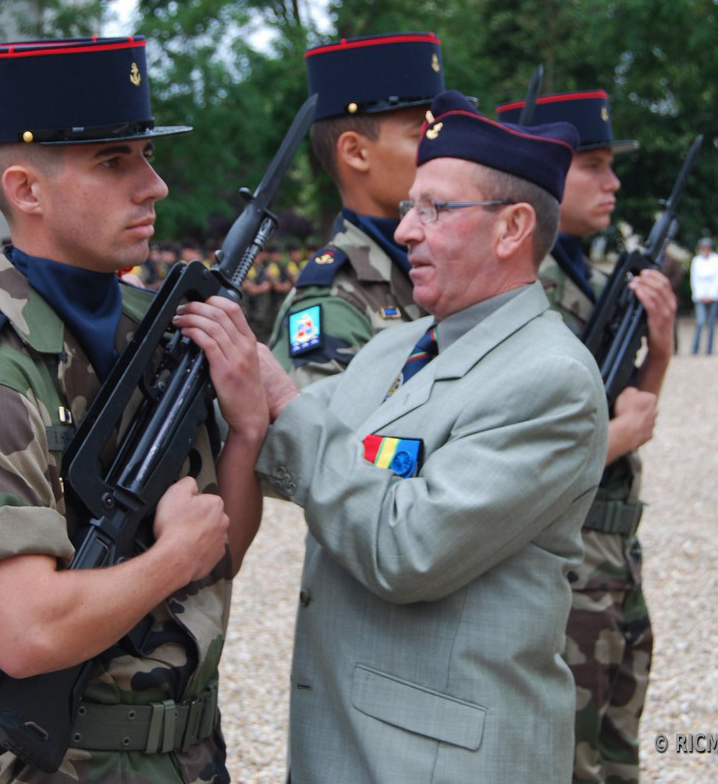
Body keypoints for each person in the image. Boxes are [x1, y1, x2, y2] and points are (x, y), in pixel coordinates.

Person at [181, 90, 609, 781]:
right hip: (345, 742)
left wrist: (282, 402)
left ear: (512, 229)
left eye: (434, 209)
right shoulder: (396, 348)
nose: (406, 230)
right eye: (410, 206)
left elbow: (408, 548)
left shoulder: (549, 380)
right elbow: (304, 461)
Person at [0, 36, 267, 783]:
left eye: (146, 157)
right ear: (28, 190)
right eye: (114, 162)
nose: (154, 185)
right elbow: (25, 632)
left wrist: (247, 433)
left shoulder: (159, 327)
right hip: (65, 763)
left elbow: (218, 554)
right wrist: (170, 559)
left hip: (191, 755)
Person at [498, 90, 678, 784]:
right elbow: (516, 464)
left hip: (612, 556)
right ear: (542, 173)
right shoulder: (521, 294)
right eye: (593, 166)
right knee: (564, 763)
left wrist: (658, 354)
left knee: (613, 759)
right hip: (562, 574)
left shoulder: (592, 279)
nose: (614, 183)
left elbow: (632, 424)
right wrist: (617, 433)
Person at [269, 32, 445, 387]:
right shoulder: (333, 303)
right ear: (355, 152)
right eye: (421, 134)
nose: (442, 148)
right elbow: (319, 439)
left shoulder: (446, 266)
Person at [689, 236, 718, 355]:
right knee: (700, 322)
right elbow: (694, 279)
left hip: (714, 296)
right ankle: (695, 348)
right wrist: (701, 295)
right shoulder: (696, 261)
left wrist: (711, 295)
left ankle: (709, 349)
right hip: (700, 296)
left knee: (711, 323)